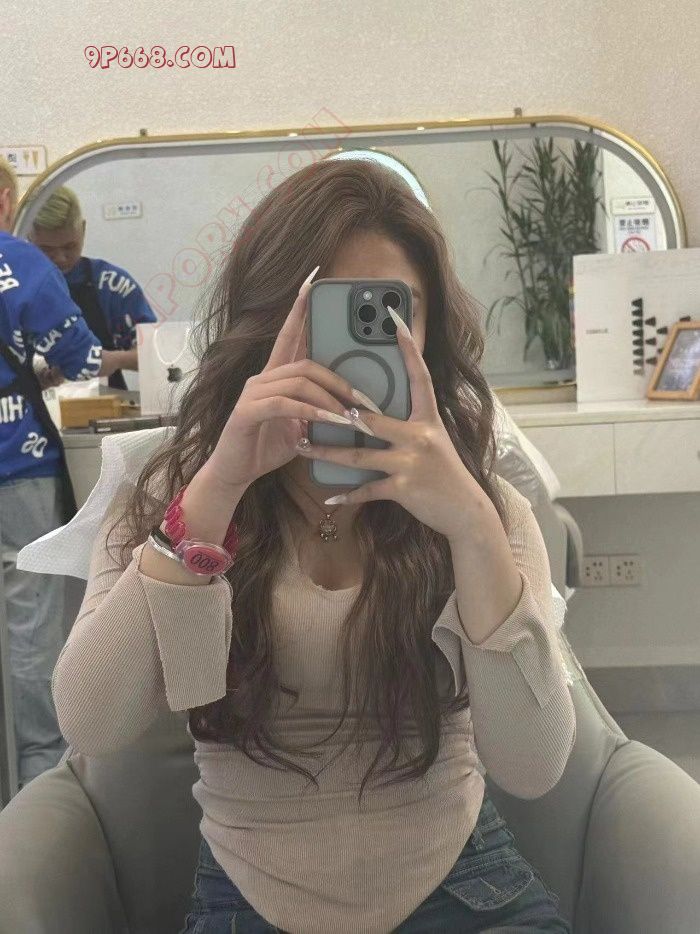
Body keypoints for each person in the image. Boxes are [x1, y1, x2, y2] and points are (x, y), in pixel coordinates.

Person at [48, 158, 576, 933]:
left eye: (393, 314)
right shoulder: (172, 499)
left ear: (429, 334)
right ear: (268, 324)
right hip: (249, 896)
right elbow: (92, 723)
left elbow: (534, 766)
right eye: (332, 313)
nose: (359, 349)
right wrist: (216, 490)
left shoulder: (483, 508)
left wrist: (473, 527)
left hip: (469, 887)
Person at [0, 157, 123, 789]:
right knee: (32, 629)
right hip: (16, 462)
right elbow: (81, 357)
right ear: (5, 199)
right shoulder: (18, 262)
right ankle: (37, 789)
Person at [29, 186, 157, 390]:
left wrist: (116, 359)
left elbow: (156, 353)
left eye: (70, 246)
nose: (61, 258)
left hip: (107, 404)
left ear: (83, 229)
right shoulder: (14, 290)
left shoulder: (112, 284)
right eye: (47, 250)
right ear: (28, 238)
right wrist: (31, 373)